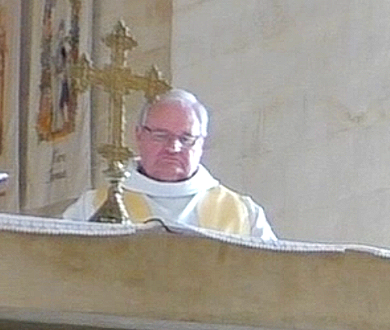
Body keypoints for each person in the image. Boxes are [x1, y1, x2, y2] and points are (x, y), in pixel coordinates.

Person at [59, 89, 277, 242]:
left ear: (202, 142)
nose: (173, 148)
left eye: (186, 138)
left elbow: (273, 280)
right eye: (161, 136)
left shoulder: (243, 213)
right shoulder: (93, 207)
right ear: (139, 136)